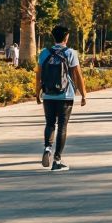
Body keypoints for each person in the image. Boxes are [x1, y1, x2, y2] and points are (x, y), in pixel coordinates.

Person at [37, 25, 87, 172]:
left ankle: (47, 148)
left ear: (53, 37)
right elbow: (77, 75)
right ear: (66, 38)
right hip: (65, 95)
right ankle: (57, 160)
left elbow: (38, 75)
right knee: (62, 126)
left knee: (50, 123)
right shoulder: (70, 53)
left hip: (48, 94)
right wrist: (83, 94)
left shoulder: (44, 53)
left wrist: (37, 93)